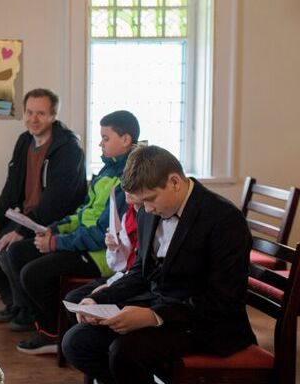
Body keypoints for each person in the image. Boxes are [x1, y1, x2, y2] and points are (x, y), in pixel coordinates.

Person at [62, 146, 257, 384]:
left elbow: (223, 300)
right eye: (142, 202)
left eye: (151, 199)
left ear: (174, 182)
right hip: (162, 304)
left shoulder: (224, 220)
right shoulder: (149, 210)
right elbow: (140, 271)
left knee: (124, 351)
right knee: (76, 343)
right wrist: (100, 299)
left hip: (207, 323)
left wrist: (154, 316)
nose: (147, 209)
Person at [12, 110, 139, 353]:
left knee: (32, 273)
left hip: (102, 255)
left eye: (105, 138)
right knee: (18, 252)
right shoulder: (107, 170)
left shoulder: (127, 179)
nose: (100, 143)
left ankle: (53, 333)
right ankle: (43, 322)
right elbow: (84, 213)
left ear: (125, 140)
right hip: (83, 243)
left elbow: (101, 232)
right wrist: (54, 229)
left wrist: (56, 243)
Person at [0, 89, 86, 325]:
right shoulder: (24, 141)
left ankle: (29, 312)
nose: (33, 119)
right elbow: (11, 188)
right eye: (29, 112)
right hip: (26, 217)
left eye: (40, 113)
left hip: (54, 222)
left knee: (10, 250)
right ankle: (15, 304)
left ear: (53, 115)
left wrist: (21, 232)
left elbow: (57, 203)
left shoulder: (68, 148)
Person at [63, 190, 142, 326]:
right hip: (124, 275)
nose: (126, 192)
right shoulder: (129, 214)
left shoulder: (152, 215)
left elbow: (142, 268)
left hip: (135, 281)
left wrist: (111, 285)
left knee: (81, 302)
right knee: (74, 299)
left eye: (131, 189)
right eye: (125, 189)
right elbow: (119, 264)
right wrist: (114, 247)